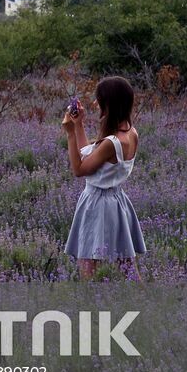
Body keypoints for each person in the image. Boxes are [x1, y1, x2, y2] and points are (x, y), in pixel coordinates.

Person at [62, 77, 145, 279]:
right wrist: (79, 124)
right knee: (128, 267)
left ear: (110, 103)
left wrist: (71, 134)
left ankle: (89, 306)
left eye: (99, 100)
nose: (95, 104)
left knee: (88, 265)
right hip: (116, 202)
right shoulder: (131, 133)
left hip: (97, 203)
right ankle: (145, 305)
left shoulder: (111, 142)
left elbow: (80, 169)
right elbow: (90, 156)